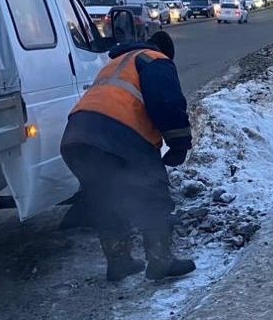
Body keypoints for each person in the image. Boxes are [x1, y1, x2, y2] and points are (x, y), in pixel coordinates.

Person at [60, 30, 197, 282]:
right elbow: (167, 104)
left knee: (107, 199)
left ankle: (119, 262)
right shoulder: (156, 60)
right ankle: (160, 261)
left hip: (75, 137)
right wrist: (179, 144)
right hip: (118, 136)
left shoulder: (116, 63)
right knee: (152, 194)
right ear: (165, 51)